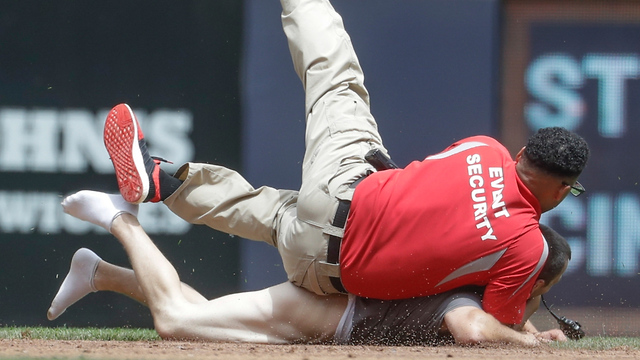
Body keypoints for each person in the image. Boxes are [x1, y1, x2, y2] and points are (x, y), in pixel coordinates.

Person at [102, 0, 590, 327]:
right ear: (564, 190)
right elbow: (491, 325)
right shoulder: (528, 248)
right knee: (273, 214)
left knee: (336, 81)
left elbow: (429, 183)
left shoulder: (485, 149)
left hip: (346, 192)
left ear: (523, 154)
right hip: (321, 274)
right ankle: (167, 184)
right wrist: (528, 332)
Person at [48, 190, 569, 346]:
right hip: (322, 315)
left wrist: (525, 330)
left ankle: (99, 273)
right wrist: (527, 344)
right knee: (178, 322)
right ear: (533, 278)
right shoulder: (474, 297)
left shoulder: (478, 274)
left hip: (326, 311)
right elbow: (469, 326)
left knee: (198, 312)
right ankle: (119, 217)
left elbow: (492, 318)